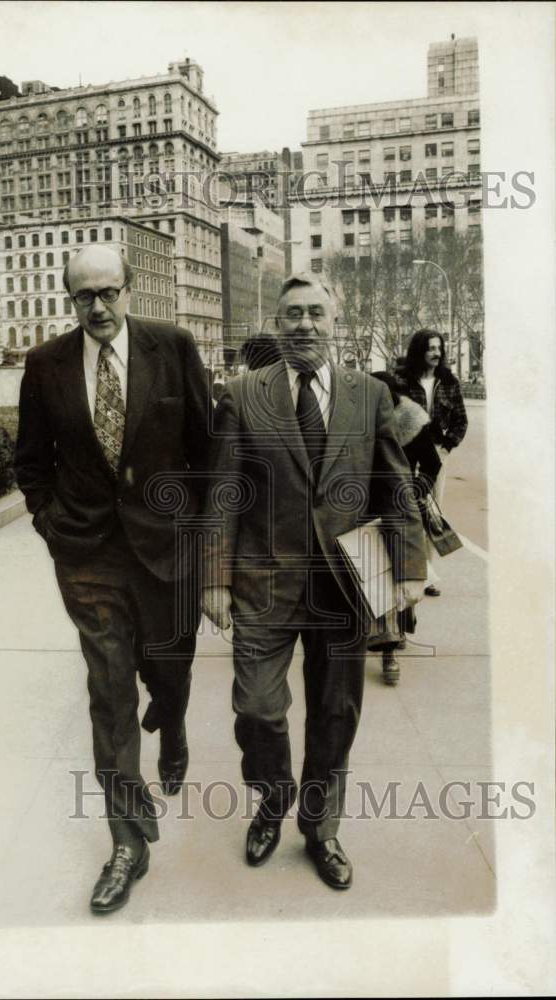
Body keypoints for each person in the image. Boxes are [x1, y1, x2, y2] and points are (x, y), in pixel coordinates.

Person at [202, 274, 426, 889]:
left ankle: (321, 829)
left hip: (346, 586)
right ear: (277, 324)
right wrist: (214, 580)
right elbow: (222, 490)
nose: (304, 325)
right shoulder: (243, 393)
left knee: (336, 713)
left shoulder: (370, 394)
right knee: (256, 709)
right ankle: (273, 798)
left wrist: (407, 568)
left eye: (315, 315)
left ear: (335, 322)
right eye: (292, 314)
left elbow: (395, 485)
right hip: (261, 585)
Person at [14, 245, 210, 916]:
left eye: (108, 292)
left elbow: (208, 456)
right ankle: (128, 842)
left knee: (170, 672)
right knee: (109, 692)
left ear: (131, 289)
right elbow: (31, 462)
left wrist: (205, 547)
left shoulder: (174, 347)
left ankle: (175, 722)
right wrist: (51, 527)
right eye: (83, 296)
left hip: (170, 554)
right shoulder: (45, 366)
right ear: (69, 298)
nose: (97, 307)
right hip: (90, 557)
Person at [369, 371, 443, 685]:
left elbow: (432, 464)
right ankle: (387, 640)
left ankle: (390, 650)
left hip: (401, 509)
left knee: (402, 576)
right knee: (377, 578)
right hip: (366, 508)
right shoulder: (358, 421)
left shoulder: (414, 422)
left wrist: (417, 489)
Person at [397, 329, 468, 597]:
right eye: (430, 348)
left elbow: (461, 421)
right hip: (405, 454)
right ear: (419, 351)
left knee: (430, 511)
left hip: (435, 456)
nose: (437, 353)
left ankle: (426, 574)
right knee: (405, 510)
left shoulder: (449, 381)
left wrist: (447, 447)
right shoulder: (402, 379)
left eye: (439, 348)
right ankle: (403, 570)